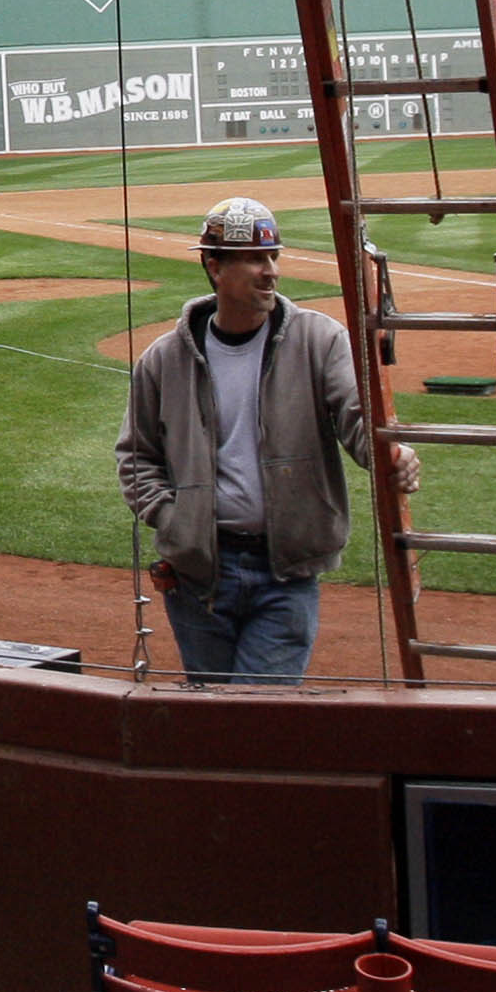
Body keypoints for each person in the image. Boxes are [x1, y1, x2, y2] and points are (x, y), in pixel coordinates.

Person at [116, 195, 422, 684]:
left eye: (273, 256)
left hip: (286, 573)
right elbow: (136, 456)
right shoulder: (164, 358)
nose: (271, 271)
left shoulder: (319, 340)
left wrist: (390, 453)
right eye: (255, 259)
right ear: (215, 267)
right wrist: (175, 520)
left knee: (261, 709)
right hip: (199, 576)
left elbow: (356, 419)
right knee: (213, 711)